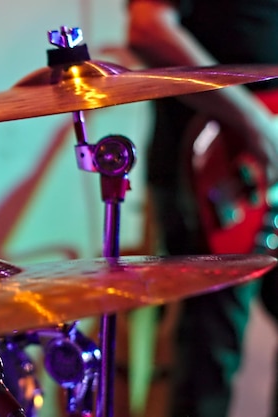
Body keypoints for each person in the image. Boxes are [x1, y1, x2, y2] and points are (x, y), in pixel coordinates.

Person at [126, 1, 278, 416]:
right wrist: (255, 124)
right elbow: (148, 27)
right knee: (209, 352)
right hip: (218, 167)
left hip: (265, 158)